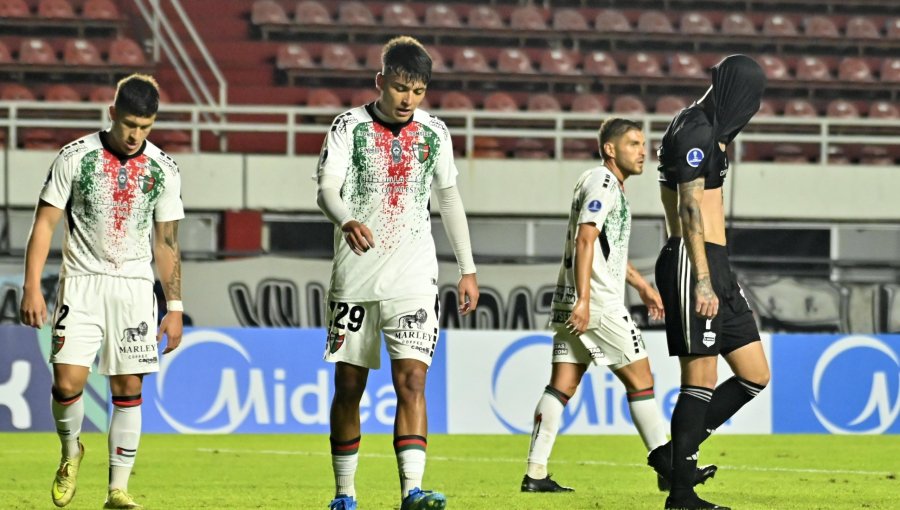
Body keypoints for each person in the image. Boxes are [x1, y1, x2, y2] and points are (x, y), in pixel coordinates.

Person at [316, 35, 479, 510]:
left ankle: (411, 491)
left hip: (414, 275)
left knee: (412, 381)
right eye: (401, 88)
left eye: (418, 91)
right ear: (380, 81)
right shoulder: (348, 127)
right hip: (356, 276)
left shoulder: (435, 132)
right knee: (349, 388)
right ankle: (345, 494)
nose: (408, 100)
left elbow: (447, 199)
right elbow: (326, 188)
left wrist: (466, 268)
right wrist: (345, 218)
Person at [522, 118, 716, 495]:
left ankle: (535, 472)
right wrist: (585, 300)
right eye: (632, 143)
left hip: (573, 302)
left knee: (562, 385)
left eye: (643, 143)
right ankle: (671, 468)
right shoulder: (604, 182)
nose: (642, 151)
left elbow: (601, 248)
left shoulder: (598, 182)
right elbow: (585, 239)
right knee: (642, 380)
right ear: (610, 149)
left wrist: (642, 285)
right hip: (597, 304)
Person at [19, 73, 184, 510]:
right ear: (112, 113)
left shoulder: (163, 169)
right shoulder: (74, 157)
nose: (135, 135)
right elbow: (44, 225)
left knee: (128, 386)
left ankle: (117, 489)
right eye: (129, 124)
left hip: (133, 288)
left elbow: (165, 243)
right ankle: (71, 451)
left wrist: (175, 306)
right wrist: (32, 286)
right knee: (67, 382)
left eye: (145, 127)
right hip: (82, 283)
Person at [654, 55, 771, 510]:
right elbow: (688, 210)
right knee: (699, 379)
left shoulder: (716, 127)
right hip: (692, 260)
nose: (752, 109)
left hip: (718, 264)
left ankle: (673, 454)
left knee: (755, 375)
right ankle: (682, 494)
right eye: (751, 98)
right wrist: (702, 280)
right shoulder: (695, 129)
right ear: (734, 91)